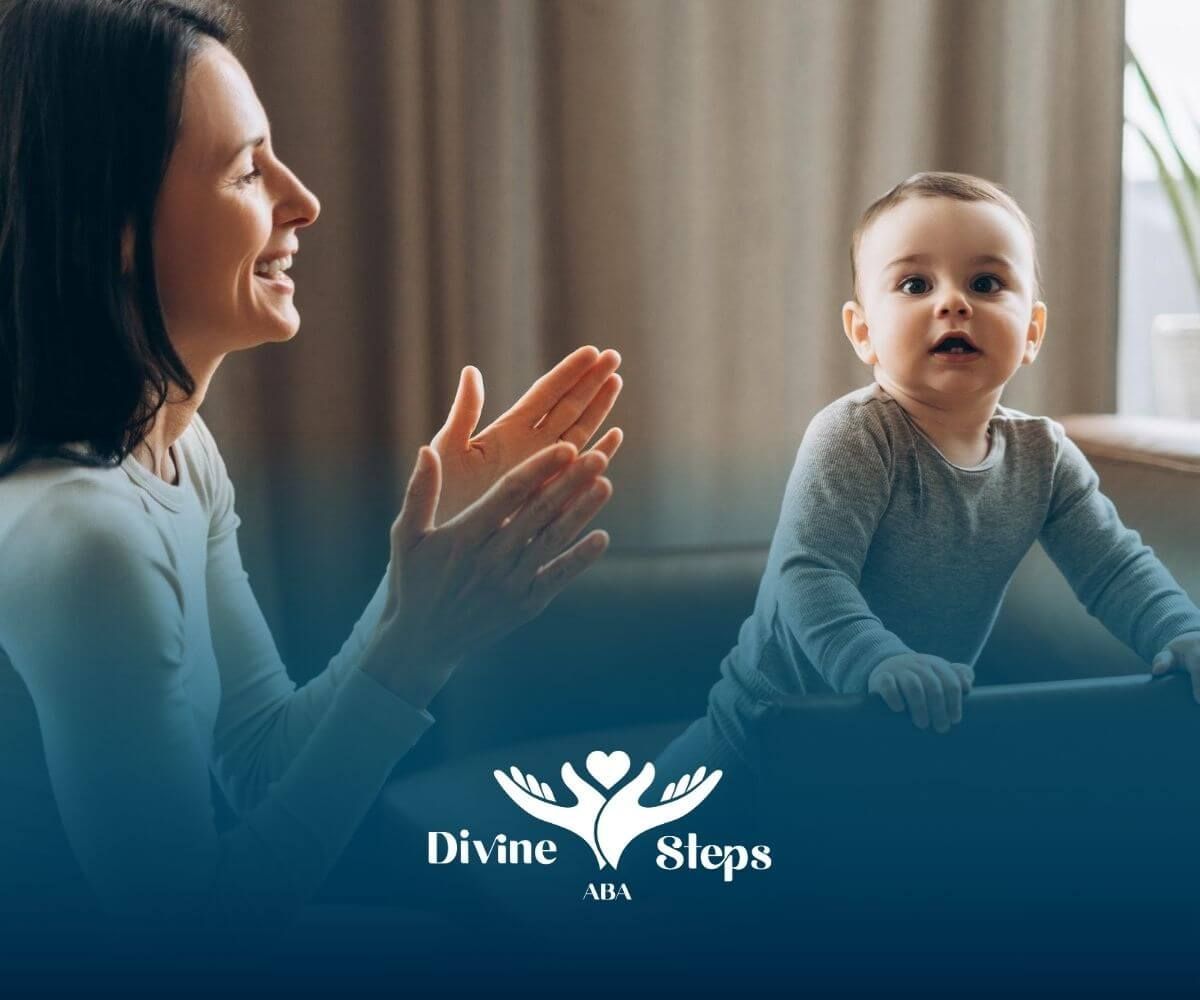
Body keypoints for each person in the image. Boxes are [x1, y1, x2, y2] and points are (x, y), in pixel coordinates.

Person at [0, 0, 625, 934]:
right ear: (117, 224)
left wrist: (416, 597)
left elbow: (257, 759)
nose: (304, 200)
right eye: (249, 170)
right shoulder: (86, 539)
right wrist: (419, 649)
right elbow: (189, 943)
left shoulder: (173, 453)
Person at [657, 171, 1200, 785]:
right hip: (764, 732)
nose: (953, 302)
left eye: (986, 283)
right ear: (863, 333)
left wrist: (1182, 631)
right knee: (655, 852)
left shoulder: (1043, 455)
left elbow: (1115, 570)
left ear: (1032, 333)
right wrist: (879, 660)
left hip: (900, 735)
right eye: (915, 283)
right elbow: (809, 574)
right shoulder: (857, 436)